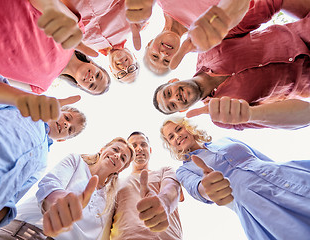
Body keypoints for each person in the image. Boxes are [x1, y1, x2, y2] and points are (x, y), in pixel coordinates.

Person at [0, 72, 87, 240]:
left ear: (63, 140)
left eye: (70, 129)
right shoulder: (26, 106)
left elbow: (7, 202)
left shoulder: (42, 164)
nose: (66, 124)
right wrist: (24, 98)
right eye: (67, 117)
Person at [153, 5, 310, 130]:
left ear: (173, 80)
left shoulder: (208, 47)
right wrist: (250, 114)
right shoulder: (224, 115)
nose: (175, 98)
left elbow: (257, 10)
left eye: (168, 93)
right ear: (182, 110)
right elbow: (305, 117)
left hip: (304, 31)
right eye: (172, 105)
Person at [160, 118, 310, 240]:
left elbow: (263, 159)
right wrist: (210, 187)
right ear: (171, 146)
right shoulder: (184, 170)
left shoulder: (225, 140)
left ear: (188, 127)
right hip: (254, 201)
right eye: (171, 137)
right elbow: (198, 188)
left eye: (178, 129)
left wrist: (280, 171)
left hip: (283, 175)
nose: (177, 136)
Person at [0, 137, 135, 239]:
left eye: (123, 158)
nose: (117, 155)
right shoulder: (76, 162)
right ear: (102, 149)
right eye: (115, 149)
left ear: (120, 169)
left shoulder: (110, 199)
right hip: (27, 232)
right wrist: (57, 203)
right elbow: (51, 183)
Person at [0, 0, 111, 95]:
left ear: (79, 86)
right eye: (98, 75)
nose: (92, 79)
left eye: (92, 85)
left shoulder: (39, 88)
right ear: (94, 64)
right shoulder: (77, 29)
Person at [144, 0, 309, 74]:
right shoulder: (215, 33)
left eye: (154, 56)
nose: (164, 54)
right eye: (166, 61)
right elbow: (270, 3)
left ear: (150, 43)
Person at [103, 131, 183, 240]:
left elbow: (172, 190)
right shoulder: (115, 183)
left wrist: (164, 202)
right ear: (129, 154)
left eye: (143, 144)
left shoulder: (165, 171)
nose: (139, 148)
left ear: (150, 150)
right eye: (134, 146)